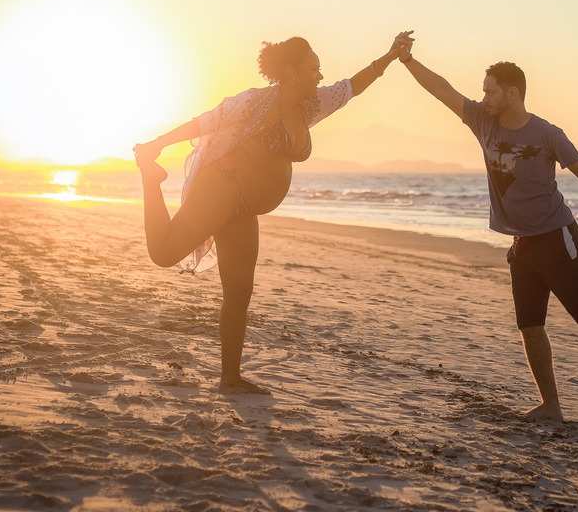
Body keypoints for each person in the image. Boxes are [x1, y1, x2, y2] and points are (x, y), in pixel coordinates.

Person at [134, 33, 411, 394]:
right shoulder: (255, 101)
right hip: (222, 185)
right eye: (313, 68)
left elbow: (352, 87)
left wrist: (389, 56)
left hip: (243, 208)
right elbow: (207, 121)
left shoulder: (311, 104)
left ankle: (230, 378)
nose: (320, 75)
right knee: (163, 253)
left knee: (239, 292)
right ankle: (150, 179)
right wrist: (157, 145)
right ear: (292, 72)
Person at [395, 34, 578, 421]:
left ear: (512, 94)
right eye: (483, 92)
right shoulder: (482, 121)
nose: (483, 98)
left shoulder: (547, 134)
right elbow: (441, 89)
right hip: (521, 244)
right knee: (530, 325)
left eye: (490, 92)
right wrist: (406, 59)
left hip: (555, 235)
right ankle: (551, 405)